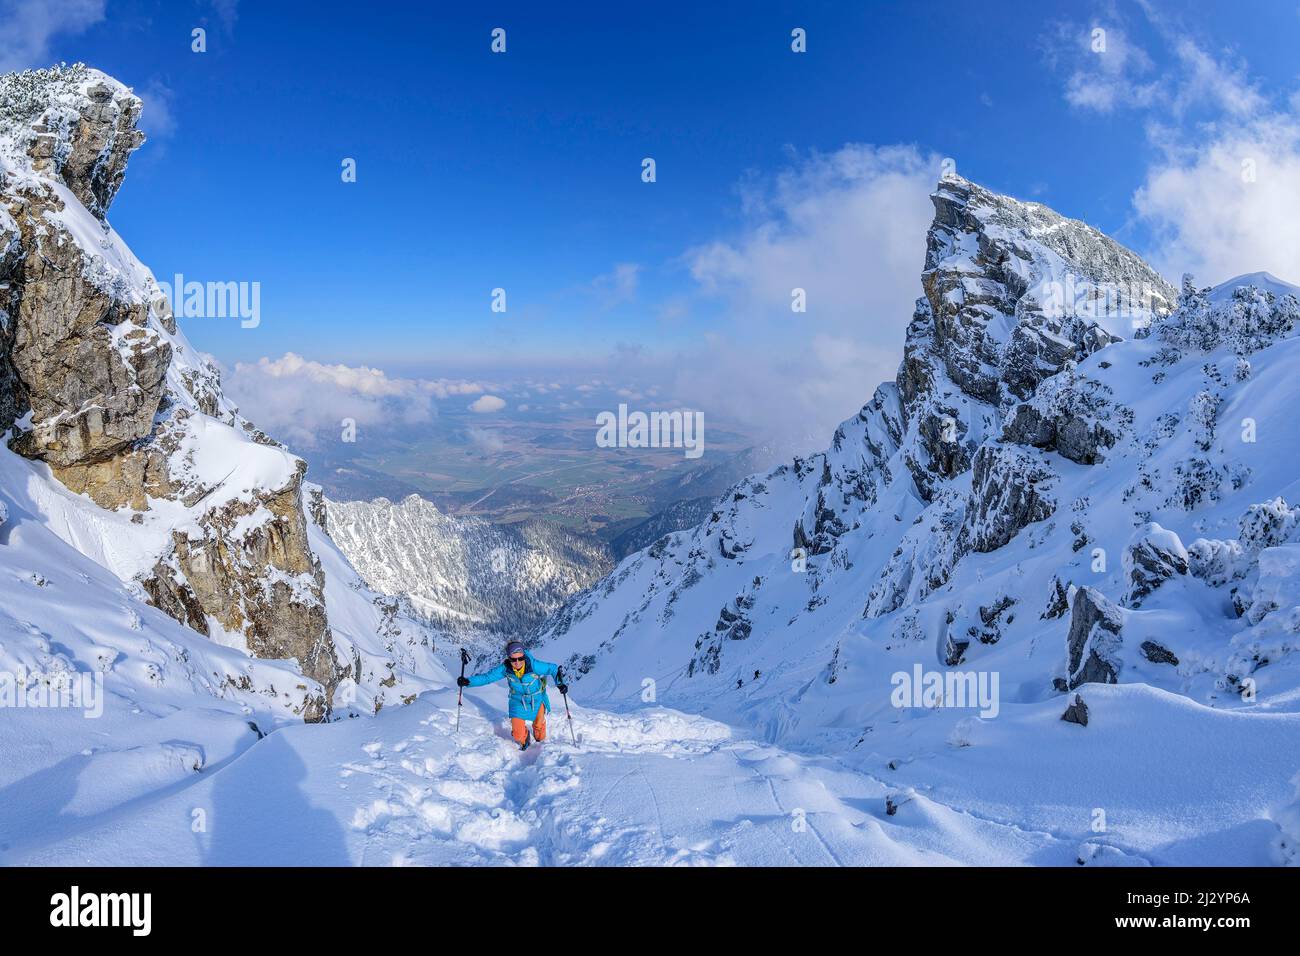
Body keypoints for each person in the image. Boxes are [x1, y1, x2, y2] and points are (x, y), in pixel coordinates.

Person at [458, 641, 568, 750]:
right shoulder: (506, 669)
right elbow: (487, 678)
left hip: (537, 698)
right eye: (513, 659)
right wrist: (468, 682)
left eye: (520, 658)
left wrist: (560, 684)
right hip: (517, 700)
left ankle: (538, 730)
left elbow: (553, 668)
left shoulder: (534, 665)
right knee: (518, 735)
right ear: (509, 658)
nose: (517, 662)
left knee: (540, 735)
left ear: (524, 656)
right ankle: (525, 739)